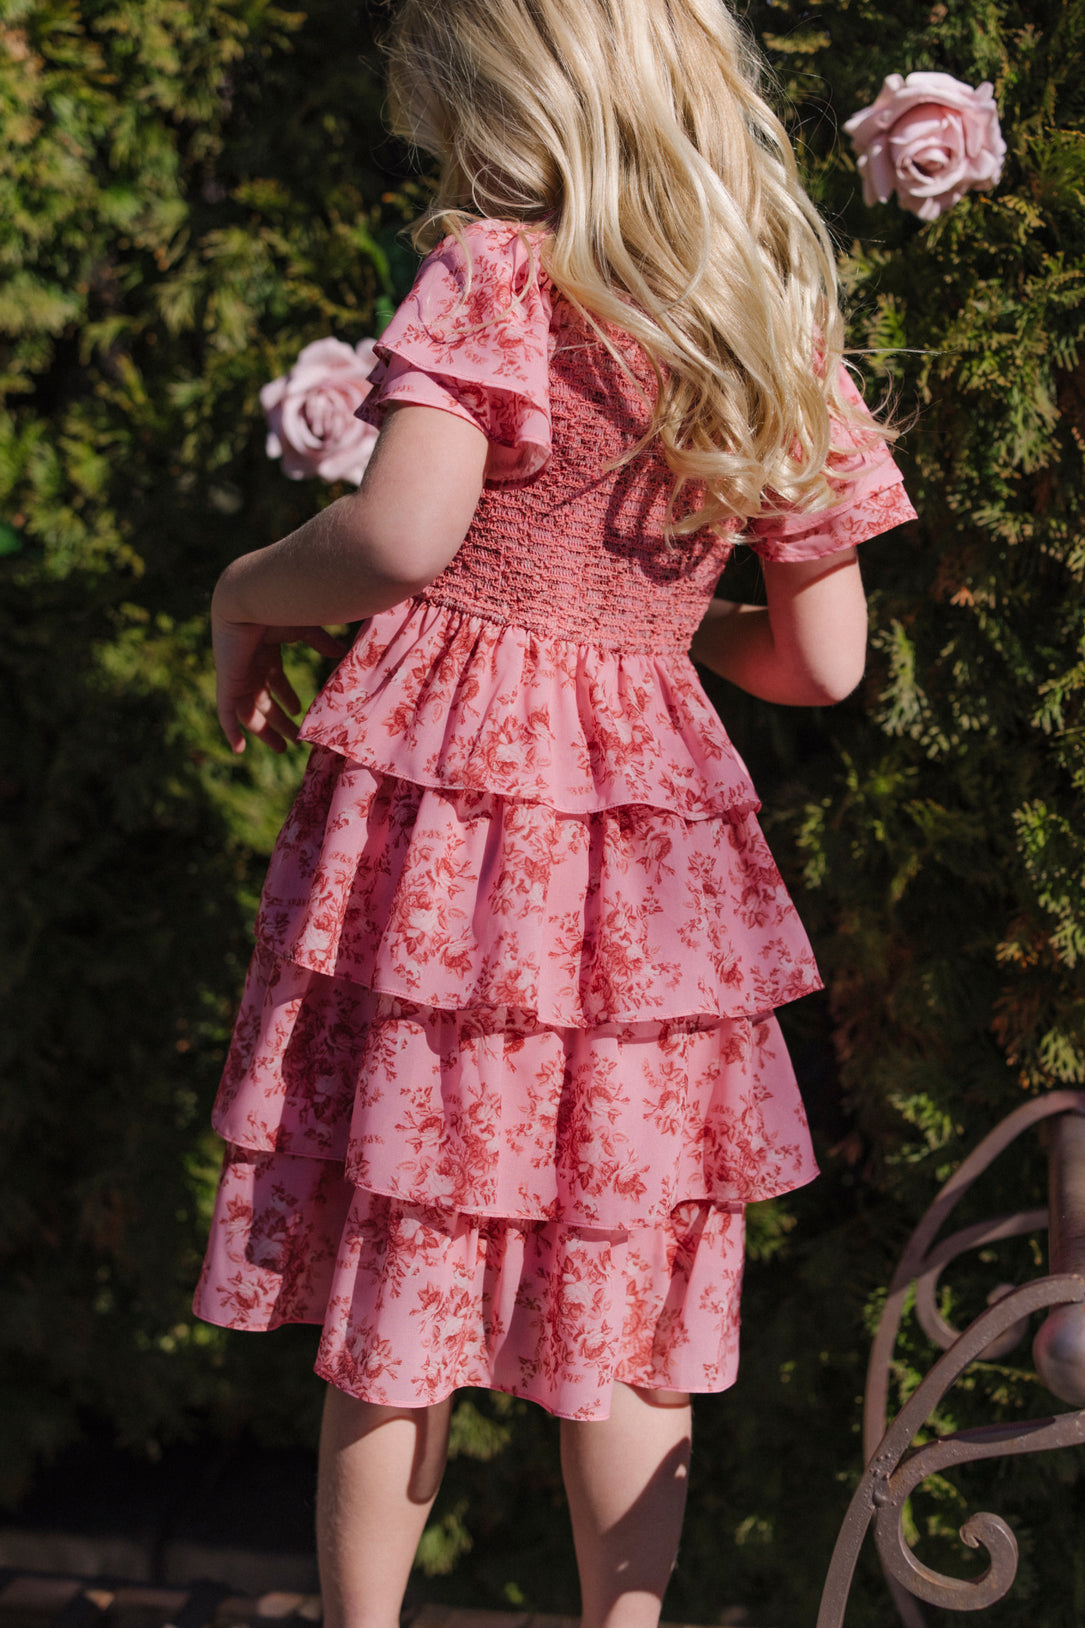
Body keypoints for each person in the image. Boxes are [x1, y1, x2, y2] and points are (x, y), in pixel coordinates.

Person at [193, 2, 915, 1625]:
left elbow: (398, 534)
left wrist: (247, 588)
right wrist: (645, 633)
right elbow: (822, 656)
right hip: (643, 869)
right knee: (622, 1258)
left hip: (461, 848)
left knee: (408, 1247)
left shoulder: (502, 269)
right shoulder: (761, 309)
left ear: (497, 85)